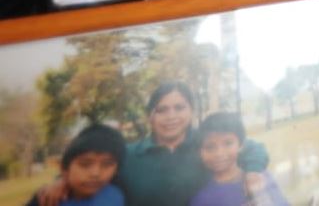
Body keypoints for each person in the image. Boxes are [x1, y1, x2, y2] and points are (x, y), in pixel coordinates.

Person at [35, 81, 269, 206]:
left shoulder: (206, 145)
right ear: (150, 116)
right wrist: (62, 181)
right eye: (162, 110)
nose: (171, 116)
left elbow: (252, 148)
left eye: (179, 108)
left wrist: (253, 171)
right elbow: (91, 168)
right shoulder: (128, 154)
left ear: (191, 111)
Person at [189, 113, 289, 206]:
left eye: (228, 143)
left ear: (241, 145)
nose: (219, 153)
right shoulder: (201, 199)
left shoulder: (260, 177)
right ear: (199, 152)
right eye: (210, 147)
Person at [25, 124, 126, 206]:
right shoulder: (47, 200)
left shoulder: (115, 192)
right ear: (65, 169)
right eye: (84, 164)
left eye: (107, 164)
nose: (95, 173)